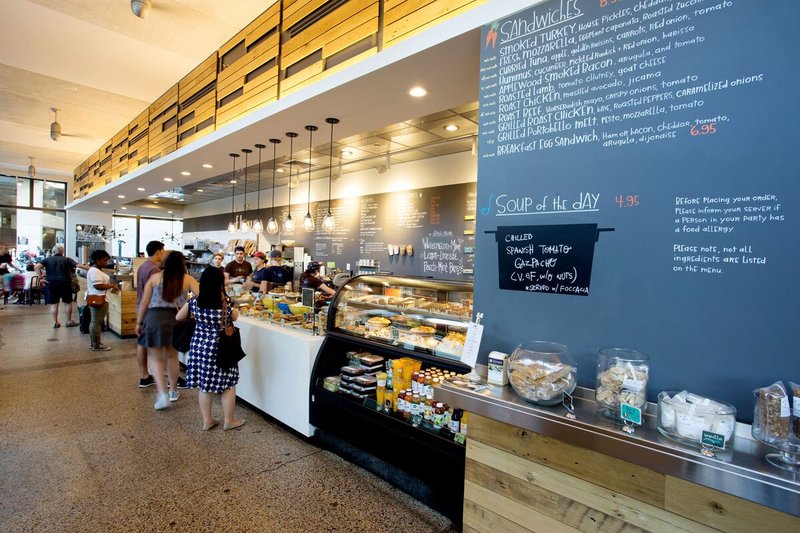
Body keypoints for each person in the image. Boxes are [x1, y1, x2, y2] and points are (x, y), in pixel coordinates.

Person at [177, 266, 245, 431]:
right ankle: (229, 420)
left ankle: (207, 420)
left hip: (200, 347)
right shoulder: (225, 303)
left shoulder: (194, 302)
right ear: (220, 283)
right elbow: (235, 317)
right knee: (228, 384)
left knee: (204, 384)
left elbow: (178, 317)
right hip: (220, 347)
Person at [137, 251, 199, 409]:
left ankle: (162, 392)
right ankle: (173, 391)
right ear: (182, 263)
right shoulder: (187, 279)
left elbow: (145, 302)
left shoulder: (155, 278)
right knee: (173, 356)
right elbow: (202, 296)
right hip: (176, 320)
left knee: (156, 359)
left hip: (154, 318)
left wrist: (139, 322)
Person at [135, 241, 166, 388]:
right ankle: (149, 376)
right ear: (158, 251)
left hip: (141, 308)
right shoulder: (155, 271)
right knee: (153, 346)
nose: (164, 253)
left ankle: (144, 375)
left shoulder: (143, 266)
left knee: (142, 343)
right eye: (163, 250)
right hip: (151, 311)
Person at [35, 244, 87, 328]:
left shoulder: (47, 259)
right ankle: (69, 321)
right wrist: (92, 268)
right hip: (65, 283)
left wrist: (41, 278)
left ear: (53, 251)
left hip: (51, 283)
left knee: (54, 304)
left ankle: (56, 322)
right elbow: (79, 266)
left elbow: (36, 267)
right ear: (62, 251)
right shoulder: (66, 259)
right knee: (67, 302)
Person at [85, 249, 117, 351]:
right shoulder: (95, 271)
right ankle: (96, 344)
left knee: (95, 321)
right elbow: (98, 285)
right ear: (97, 260)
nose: (106, 263)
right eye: (104, 260)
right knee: (96, 322)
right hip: (99, 299)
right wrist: (111, 285)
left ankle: (94, 343)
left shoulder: (95, 270)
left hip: (97, 298)